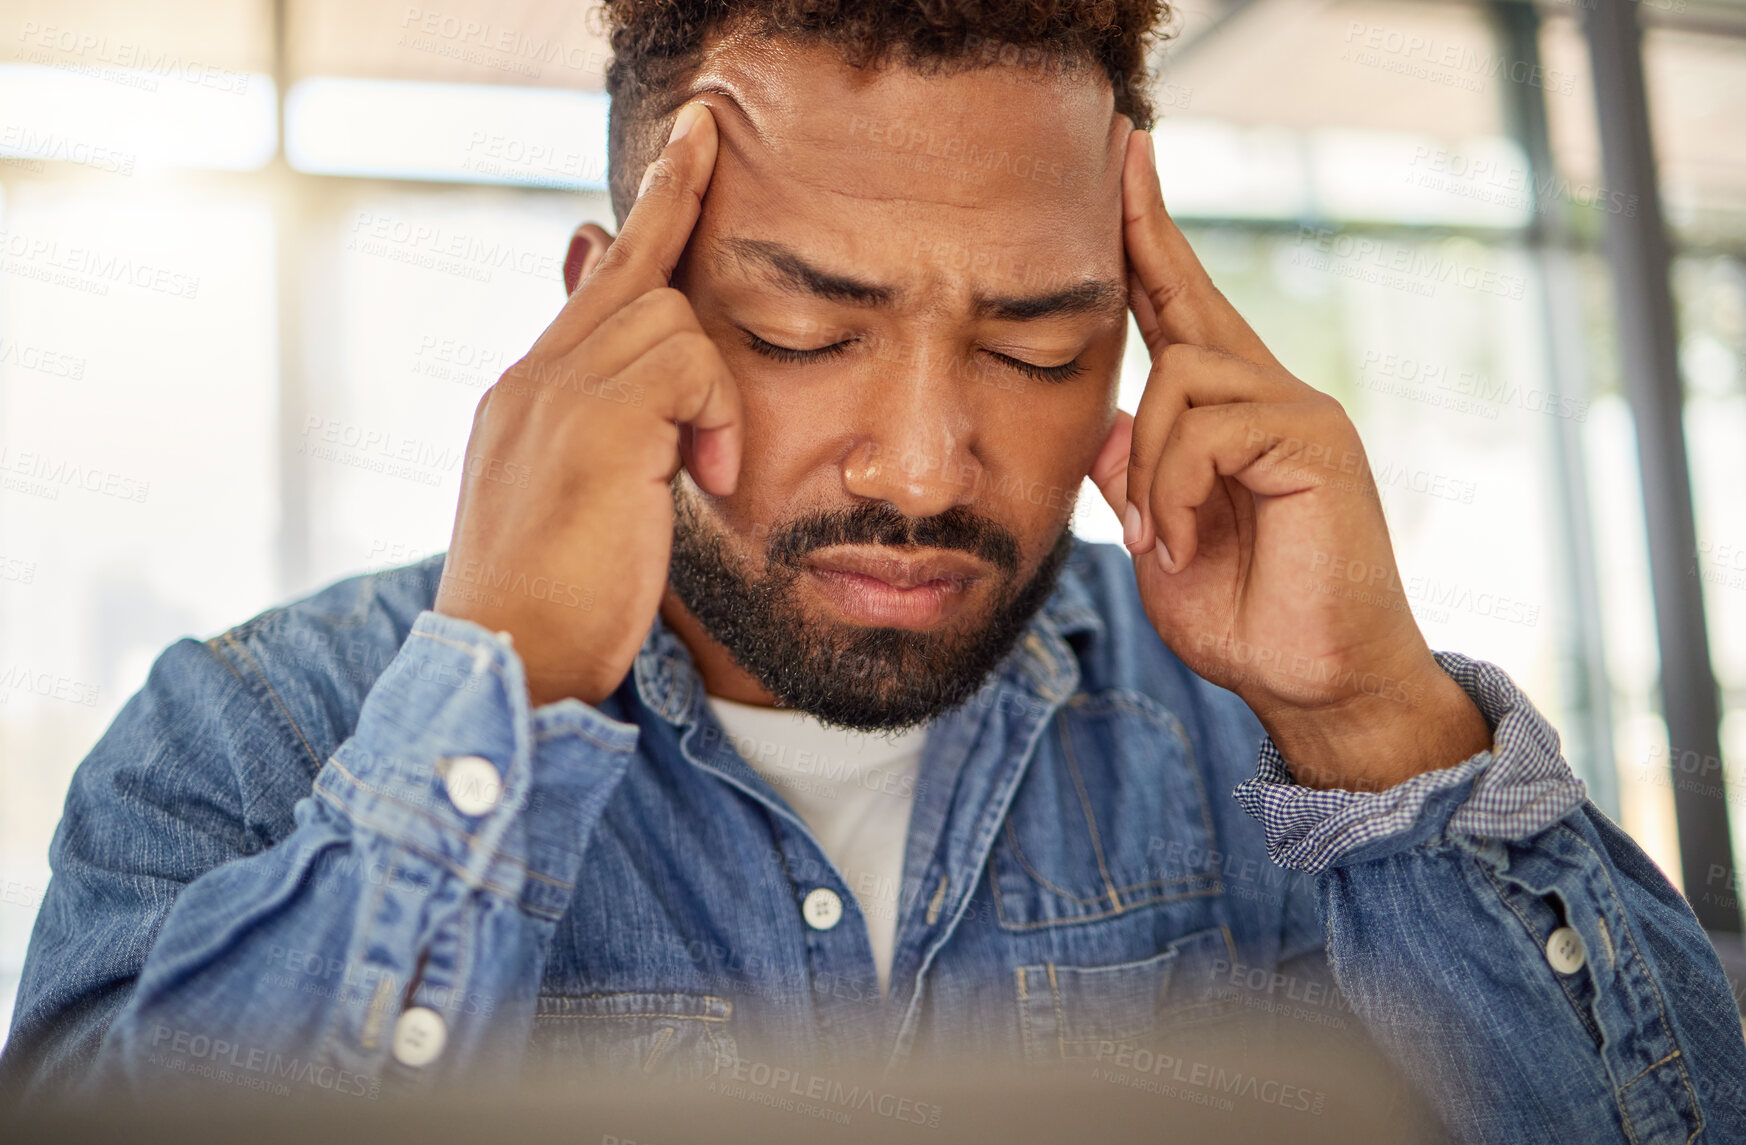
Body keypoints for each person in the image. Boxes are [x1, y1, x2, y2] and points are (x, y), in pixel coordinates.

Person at [4, 1, 1743, 1140]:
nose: (923, 466)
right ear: (608, 316)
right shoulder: (248, 738)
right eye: (798, 331)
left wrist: (1375, 721)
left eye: (1042, 351)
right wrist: (504, 690)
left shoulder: (1264, 760)